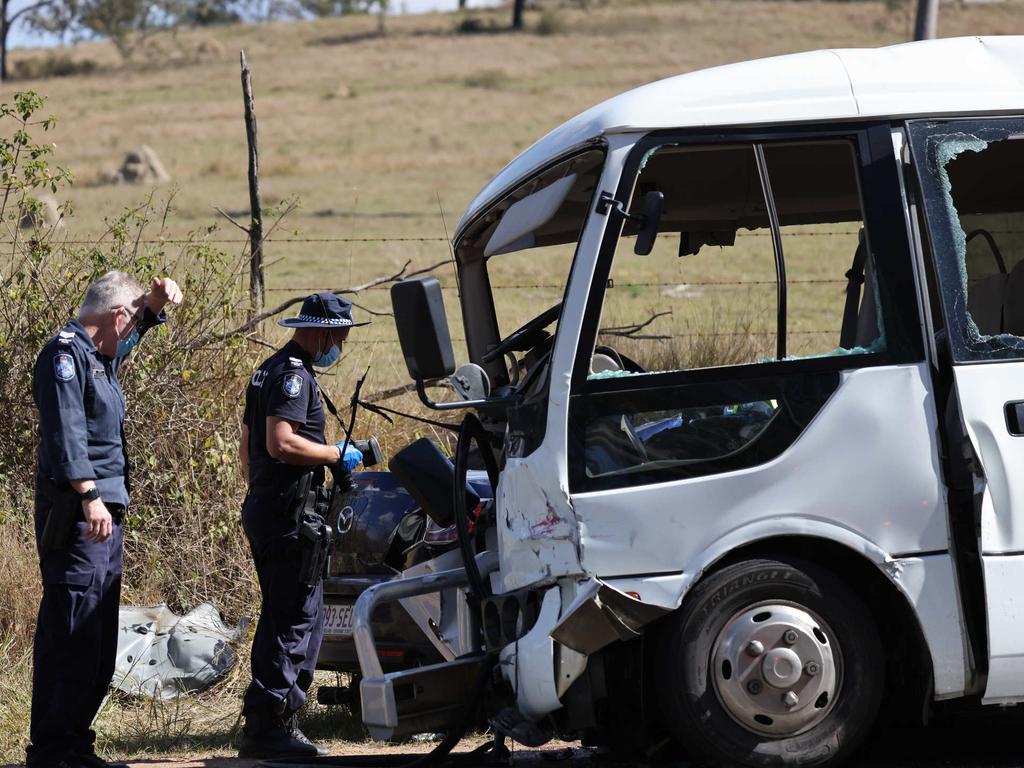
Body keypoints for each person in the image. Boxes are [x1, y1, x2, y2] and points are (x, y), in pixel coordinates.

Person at [27, 271, 183, 768]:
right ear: (116, 315)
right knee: (73, 632)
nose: (136, 327)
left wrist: (155, 306)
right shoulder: (65, 356)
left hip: (103, 520)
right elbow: (65, 431)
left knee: (96, 638)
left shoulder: (100, 359)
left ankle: (73, 742)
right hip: (80, 516)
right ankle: (53, 748)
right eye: (134, 317)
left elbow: (130, 338)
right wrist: (90, 494)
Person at [238, 292, 367, 759]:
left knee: (285, 613)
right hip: (287, 514)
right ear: (322, 332)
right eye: (341, 336)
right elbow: (279, 443)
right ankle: (273, 727)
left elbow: (247, 448)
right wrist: (336, 454)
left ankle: (267, 723)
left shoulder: (268, 370)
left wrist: (266, 492)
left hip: (270, 506)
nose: (343, 345)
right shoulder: (294, 376)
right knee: (294, 618)